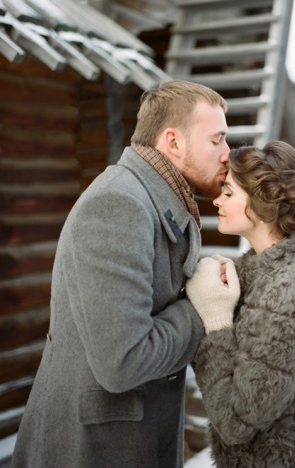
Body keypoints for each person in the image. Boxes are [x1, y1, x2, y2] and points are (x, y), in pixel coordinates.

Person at [11, 80, 230, 468]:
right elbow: (123, 361)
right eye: (217, 141)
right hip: (92, 450)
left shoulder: (158, 199)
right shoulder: (118, 204)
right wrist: (202, 307)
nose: (228, 154)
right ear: (173, 142)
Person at [186, 141, 295, 467]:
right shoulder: (256, 272)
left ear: (262, 200)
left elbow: (235, 422)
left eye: (228, 193)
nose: (217, 200)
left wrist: (215, 317)